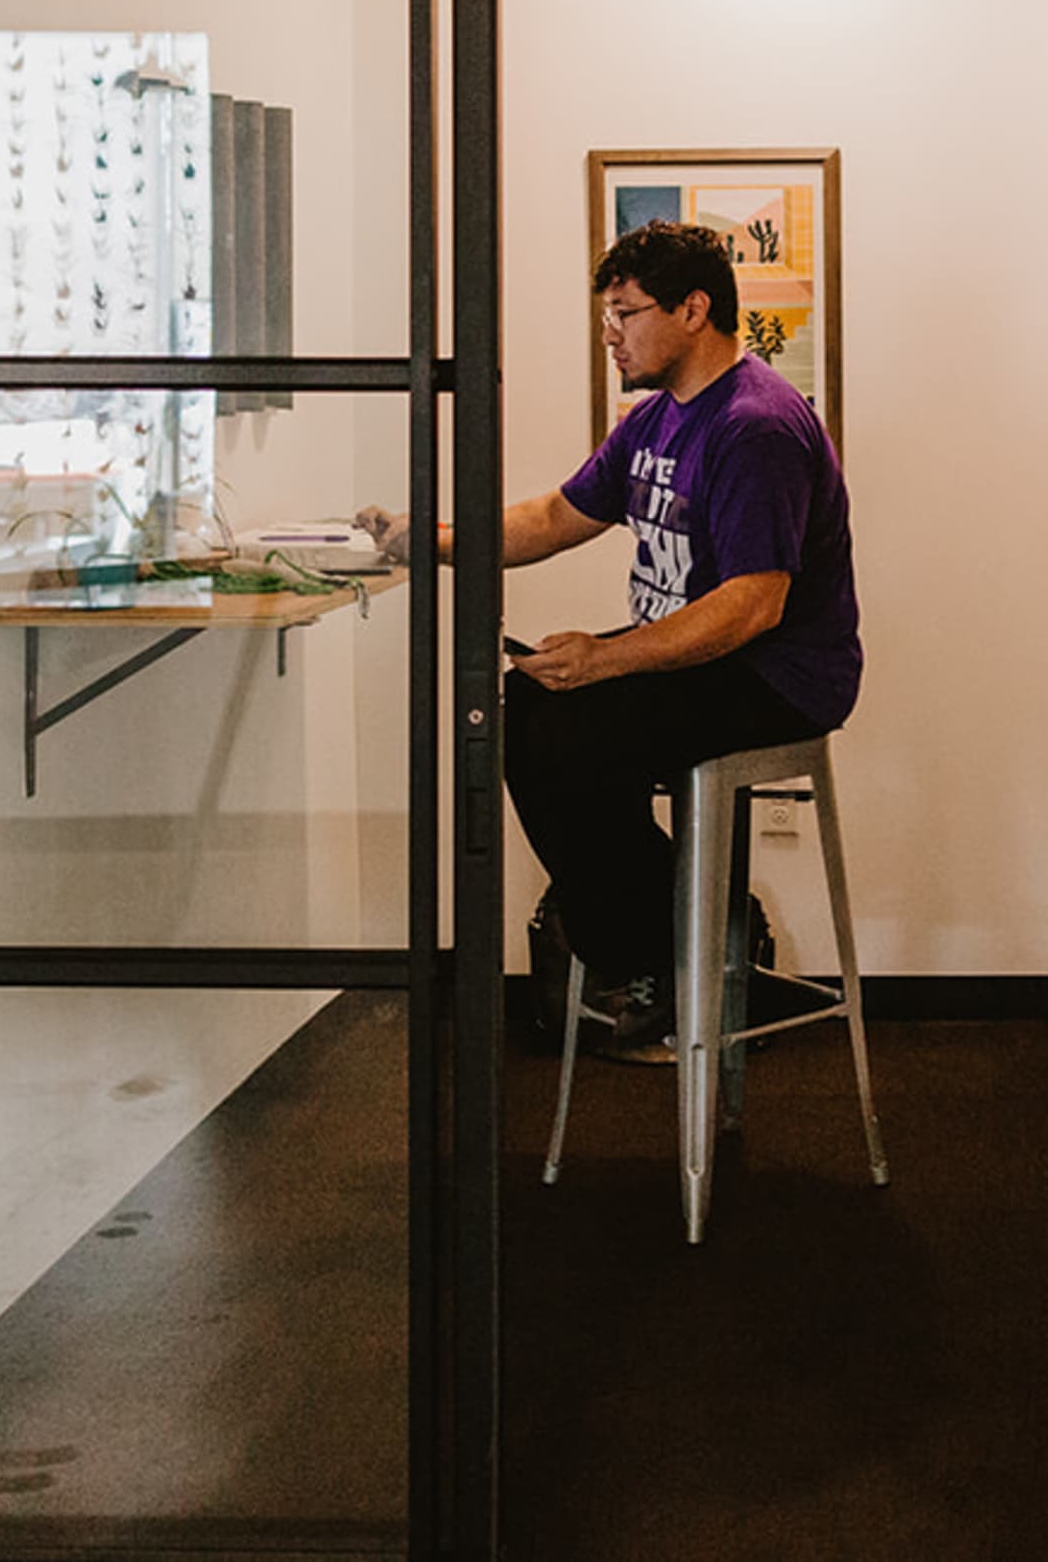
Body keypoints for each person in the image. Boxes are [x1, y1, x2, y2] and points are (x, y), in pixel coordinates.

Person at [352, 218, 859, 1058]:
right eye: (607, 315)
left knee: (561, 724)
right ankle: (693, 936)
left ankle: (666, 956)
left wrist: (603, 656)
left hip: (778, 674)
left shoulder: (755, 425)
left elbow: (751, 607)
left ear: (694, 309)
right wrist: (430, 538)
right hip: (705, 656)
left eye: (625, 313)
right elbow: (555, 515)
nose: (609, 333)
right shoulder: (658, 418)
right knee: (535, 700)